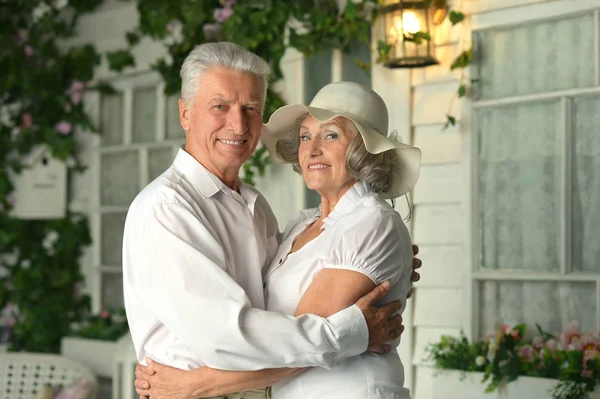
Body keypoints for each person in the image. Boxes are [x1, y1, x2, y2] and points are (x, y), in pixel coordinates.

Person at [133, 80, 421, 399]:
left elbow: (300, 345)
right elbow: (287, 334)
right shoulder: (302, 225)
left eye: (331, 135)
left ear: (364, 150)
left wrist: (195, 385)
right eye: (305, 136)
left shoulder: (371, 223)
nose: (312, 149)